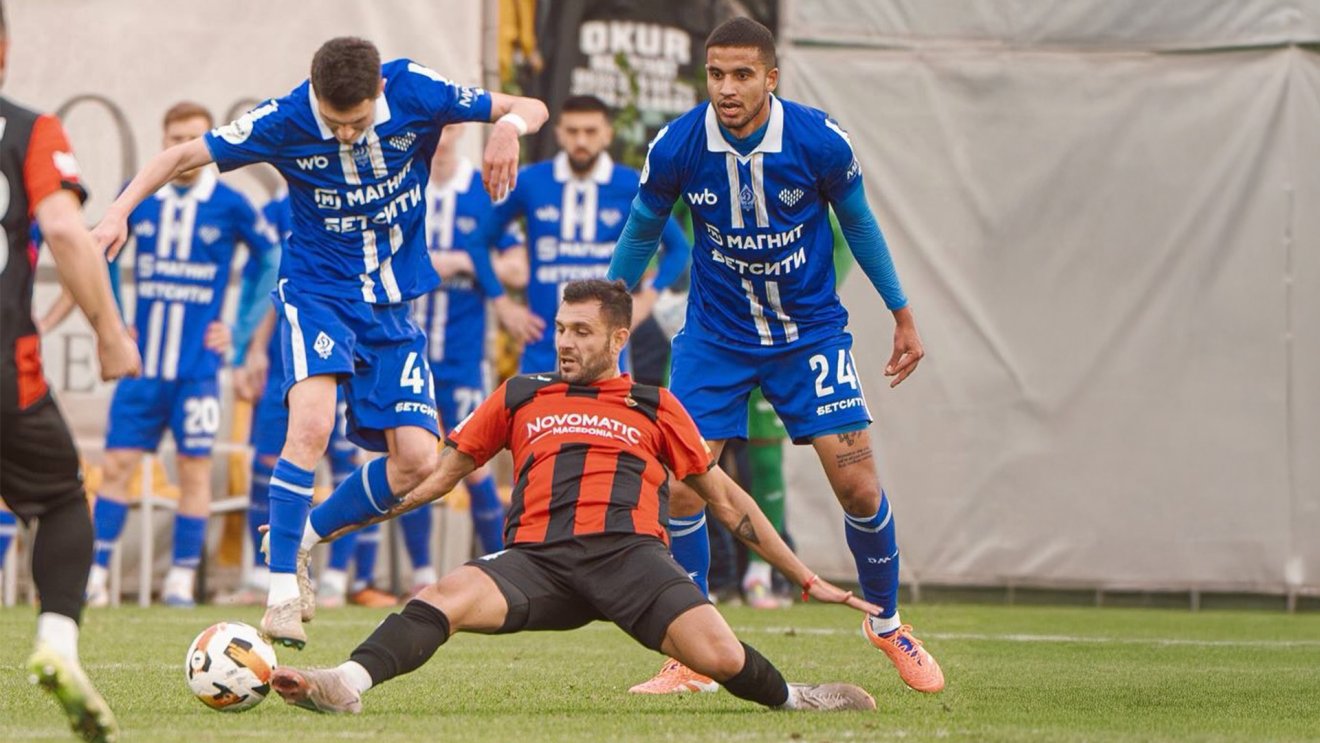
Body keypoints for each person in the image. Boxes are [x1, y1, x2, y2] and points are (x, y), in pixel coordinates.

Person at [93, 37, 549, 649]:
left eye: (355, 122)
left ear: (380, 92)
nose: (343, 134)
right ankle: (281, 591)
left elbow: (531, 103)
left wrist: (509, 128)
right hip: (316, 292)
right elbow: (181, 156)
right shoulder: (284, 118)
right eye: (332, 122)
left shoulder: (416, 88)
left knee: (418, 461)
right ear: (313, 95)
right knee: (311, 424)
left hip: (389, 304)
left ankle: (302, 539)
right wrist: (118, 212)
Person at [266, 279, 878, 715]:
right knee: (442, 595)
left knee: (718, 655)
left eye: (581, 332)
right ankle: (342, 682)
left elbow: (728, 503)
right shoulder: (521, 394)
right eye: (561, 329)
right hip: (537, 560)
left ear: (618, 339)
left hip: (631, 557)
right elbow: (433, 477)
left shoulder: (655, 405)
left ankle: (800, 698)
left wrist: (804, 576)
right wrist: (319, 532)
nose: (565, 342)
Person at [608, 17, 944, 694]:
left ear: (770, 78)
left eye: (740, 75)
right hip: (714, 340)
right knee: (681, 481)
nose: (726, 89)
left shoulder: (818, 140)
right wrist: (613, 321)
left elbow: (858, 223)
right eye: (715, 74)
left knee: (859, 485)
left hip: (809, 335)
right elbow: (642, 230)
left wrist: (901, 312)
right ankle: (695, 652)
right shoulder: (677, 145)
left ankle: (885, 620)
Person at [0, 2, 139, 738]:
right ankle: (56, 641)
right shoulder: (29, 128)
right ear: (4, 49)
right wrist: (110, 332)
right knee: (58, 502)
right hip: (5, 371)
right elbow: (62, 228)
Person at [77, 102, 276, 608]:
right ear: (163, 143)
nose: (182, 150)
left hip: (198, 372)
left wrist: (238, 326)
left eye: (191, 138)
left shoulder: (230, 204)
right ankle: (97, 574)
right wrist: (116, 325)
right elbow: (98, 254)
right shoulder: (142, 199)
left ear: (205, 144)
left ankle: (181, 579)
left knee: (193, 469)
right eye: (173, 139)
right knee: (118, 464)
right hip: (143, 370)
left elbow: (271, 257)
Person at [489, 95, 690, 374]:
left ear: (607, 134)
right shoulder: (532, 181)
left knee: (604, 418)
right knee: (534, 418)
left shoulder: (630, 183)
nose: (581, 141)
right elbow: (479, 238)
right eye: (572, 131)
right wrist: (503, 304)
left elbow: (679, 249)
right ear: (559, 133)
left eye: (590, 131)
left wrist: (648, 298)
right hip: (541, 346)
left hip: (606, 353)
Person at [412, 124, 518, 563]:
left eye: (447, 126)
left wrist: (462, 261)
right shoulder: (404, 182)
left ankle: (501, 566)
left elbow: (517, 268)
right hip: (407, 352)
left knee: (473, 466)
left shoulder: (482, 188)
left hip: (463, 355)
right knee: (409, 461)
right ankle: (419, 572)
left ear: (457, 130)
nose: (438, 135)